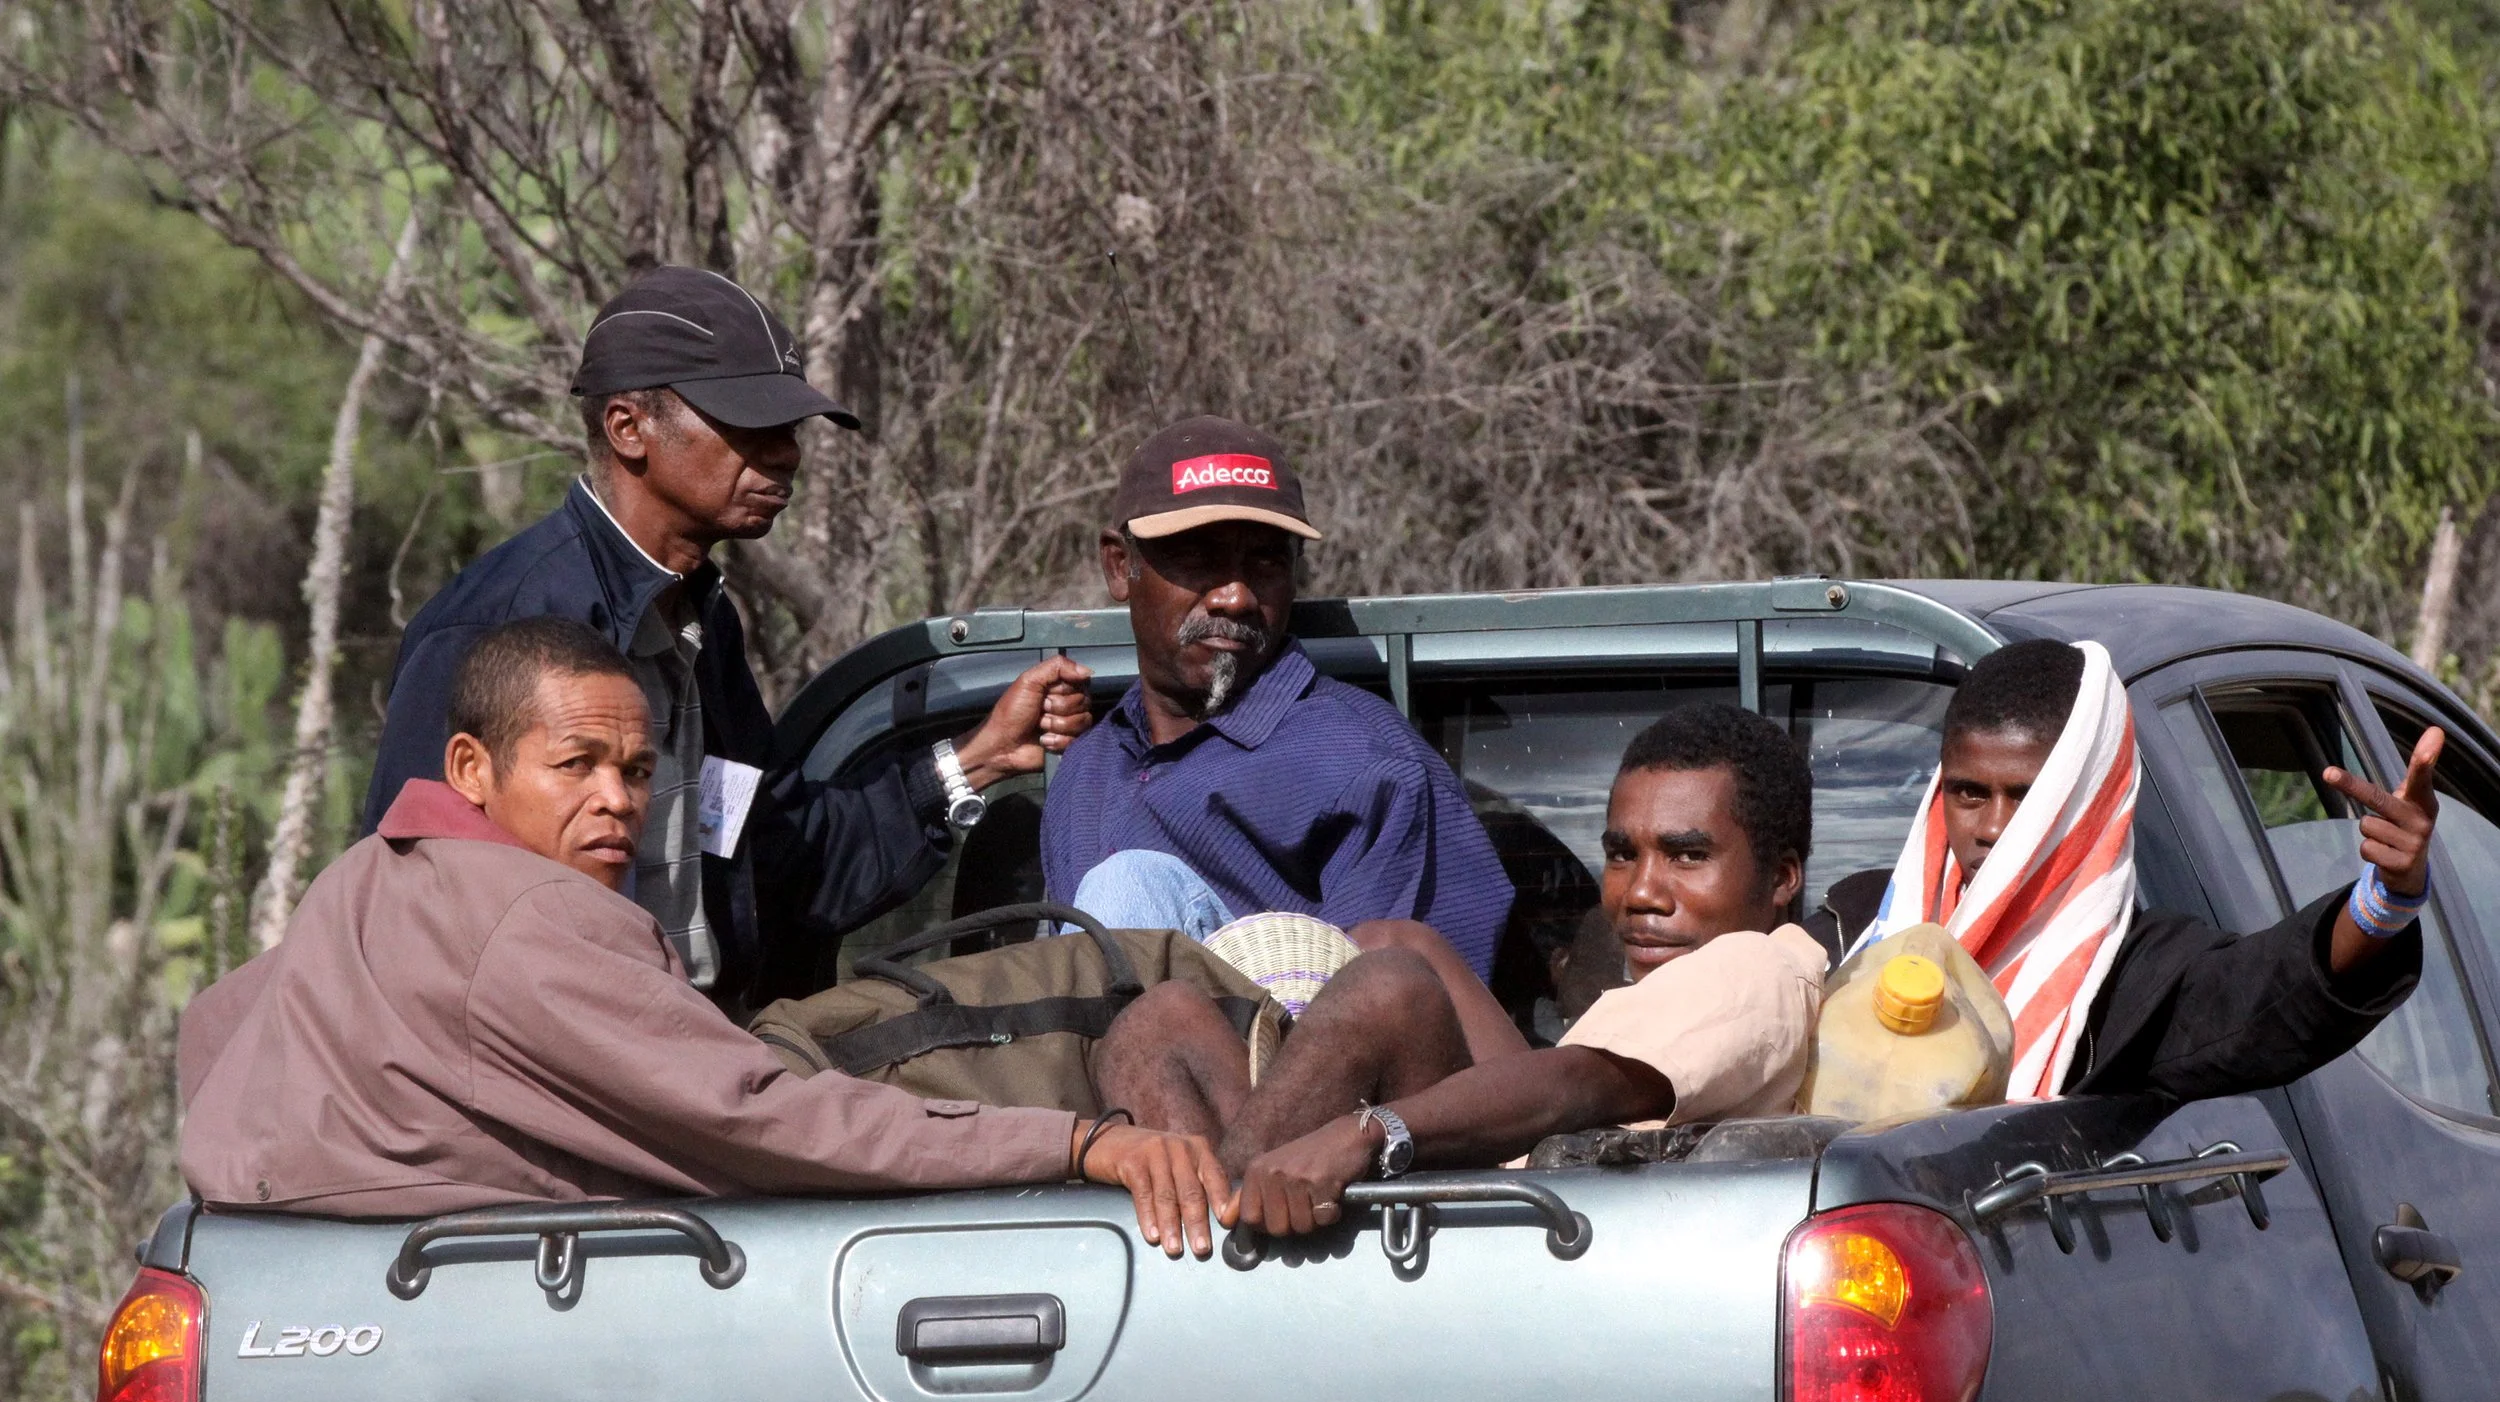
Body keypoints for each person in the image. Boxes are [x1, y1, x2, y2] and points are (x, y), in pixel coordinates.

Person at [185, 618, 1230, 1257]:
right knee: (1117, 986)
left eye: (637, 771)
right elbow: (765, 1121)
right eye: (576, 765)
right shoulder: (536, 915)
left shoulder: (362, 879)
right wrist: (1077, 1142)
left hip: (292, 1266)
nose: (617, 800)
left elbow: (215, 1032)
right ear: (471, 767)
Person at [363, 266, 1092, 1012]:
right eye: (749, 423)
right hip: (562, 1055)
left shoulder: (703, 620)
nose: (786, 454)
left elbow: (782, 859)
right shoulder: (497, 623)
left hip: (699, 1043)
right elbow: (415, 917)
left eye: (790, 429)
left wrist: (975, 758)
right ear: (628, 428)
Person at [1095, 703, 1825, 1234]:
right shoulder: (1676, 983)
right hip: (1524, 1176)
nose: (1640, 892)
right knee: (1164, 1020)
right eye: (1622, 854)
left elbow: (1582, 1083)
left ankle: (1224, 1240)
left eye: (1688, 856)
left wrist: (1369, 1131)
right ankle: (1219, 1218)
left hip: (1540, 1241)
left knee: (1389, 989)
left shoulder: (1758, 966)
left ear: (1782, 878)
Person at [1806, 638, 2433, 1101]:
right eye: (1969, 793)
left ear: (2084, 804)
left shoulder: (2134, 979)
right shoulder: (1855, 928)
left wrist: (2387, 898)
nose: (1993, 828)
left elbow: (2263, 993)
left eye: (2027, 799)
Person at [1037, 415, 1514, 980]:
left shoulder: (1365, 762)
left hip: (1299, 1039)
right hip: (1093, 1037)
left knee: (1131, 885)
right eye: (1199, 558)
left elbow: (1418, 1008)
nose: (1235, 597)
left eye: (1266, 560)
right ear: (1121, 566)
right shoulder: (1084, 773)